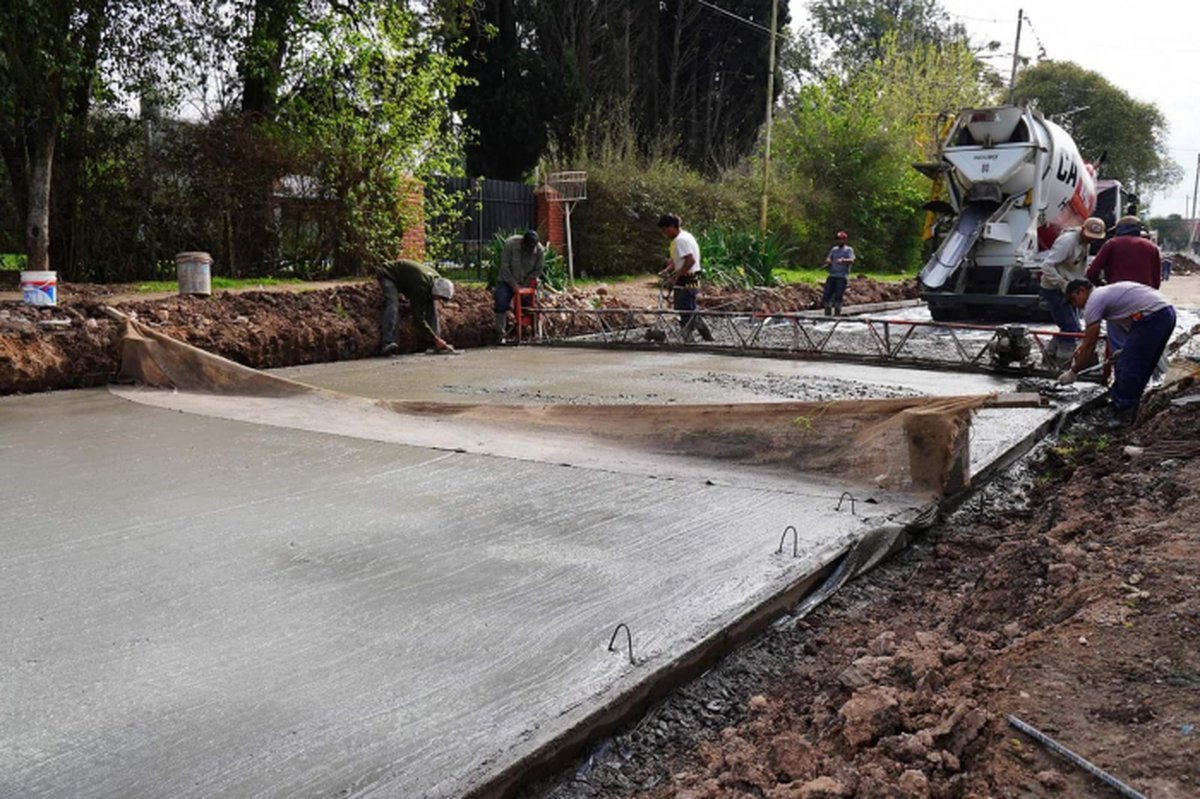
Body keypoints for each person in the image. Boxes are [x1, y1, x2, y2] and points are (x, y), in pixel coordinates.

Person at [1058, 279, 1176, 428]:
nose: (1075, 306)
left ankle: (1121, 414)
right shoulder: (1106, 295)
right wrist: (1127, 349)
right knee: (1142, 366)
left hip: (1153, 317)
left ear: (1081, 291)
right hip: (1165, 313)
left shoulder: (1094, 301)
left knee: (1127, 366)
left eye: (1073, 300)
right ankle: (1131, 411)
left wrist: (1073, 372)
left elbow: (1089, 345)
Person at [1037, 216, 1107, 364]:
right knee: (1070, 326)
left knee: (1070, 325)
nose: (1091, 240)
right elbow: (1047, 266)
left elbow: (1078, 267)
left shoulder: (1084, 242)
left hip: (1071, 288)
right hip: (1055, 288)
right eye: (1089, 236)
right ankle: (1063, 361)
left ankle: (1050, 356)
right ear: (1082, 229)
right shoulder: (1067, 241)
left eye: (1094, 238)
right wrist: (1063, 284)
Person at [376, 259, 456, 356]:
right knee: (392, 304)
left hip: (407, 278)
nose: (438, 300)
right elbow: (418, 319)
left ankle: (433, 344)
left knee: (431, 306)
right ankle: (387, 342)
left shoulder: (436, 280)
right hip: (388, 274)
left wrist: (435, 339)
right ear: (436, 291)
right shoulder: (421, 287)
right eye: (439, 297)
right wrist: (435, 338)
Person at [657, 213, 713, 342]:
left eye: (665, 230)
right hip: (694, 275)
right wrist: (668, 270)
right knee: (691, 308)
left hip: (687, 277)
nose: (664, 233)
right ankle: (707, 337)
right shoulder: (686, 236)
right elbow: (678, 260)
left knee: (684, 310)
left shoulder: (680, 240)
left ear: (672, 227)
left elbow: (690, 260)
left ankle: (689, 341)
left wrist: (676, 276)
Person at [495, 229, 545, 342]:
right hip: (507, 281)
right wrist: (514, 285)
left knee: (530, 307)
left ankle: (534, 332)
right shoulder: (510, 244)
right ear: (523, 242)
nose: (529, 251)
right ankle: (500, 334)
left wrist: (526, 286)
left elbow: (537, 270)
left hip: (525, 283)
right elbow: (505, 267)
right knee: (501, 301)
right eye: (528, 248)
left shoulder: (539, 251)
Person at [1086, 215, 1161, 289]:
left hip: (1117, 292)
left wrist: (1102, 286)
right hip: (1145, 293)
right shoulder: (1152, 247)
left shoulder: (1112, 244)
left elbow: (1092, 272)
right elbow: (1156, 280)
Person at [821, 231, 855, 316]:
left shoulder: (849, 250)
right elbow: (828, 258)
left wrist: (843, 260)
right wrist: (828, 261)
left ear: (845, 240)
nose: (839, 241)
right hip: (832, 275)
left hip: (842, 277)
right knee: (826, 294)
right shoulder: (834, 249)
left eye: (841, 239)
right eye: (838, 239)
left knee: (838, 295)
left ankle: (837, 313)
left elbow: (852, 260)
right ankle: (827, 313)